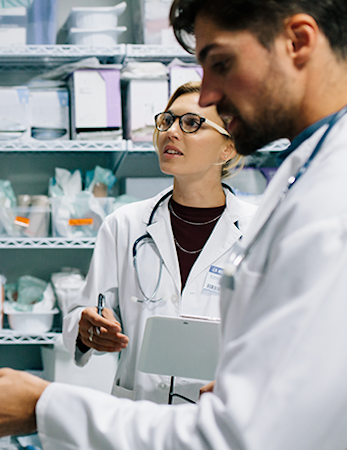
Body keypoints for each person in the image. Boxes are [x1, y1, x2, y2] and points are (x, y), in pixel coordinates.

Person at [0, 0, 347, 448]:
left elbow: (243, 440)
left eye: (220, 63)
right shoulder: (340, 172)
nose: (212, 94)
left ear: (298, 41)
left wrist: (44, 407)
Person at [61, 81, 256, 404]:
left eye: (191, 123)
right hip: (139, 414)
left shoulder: (258, 232)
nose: (171, 132)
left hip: (218, 415)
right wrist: (87, 329)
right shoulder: (124, 225)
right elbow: (81, 315)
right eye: (167, 120)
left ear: (228, 148)